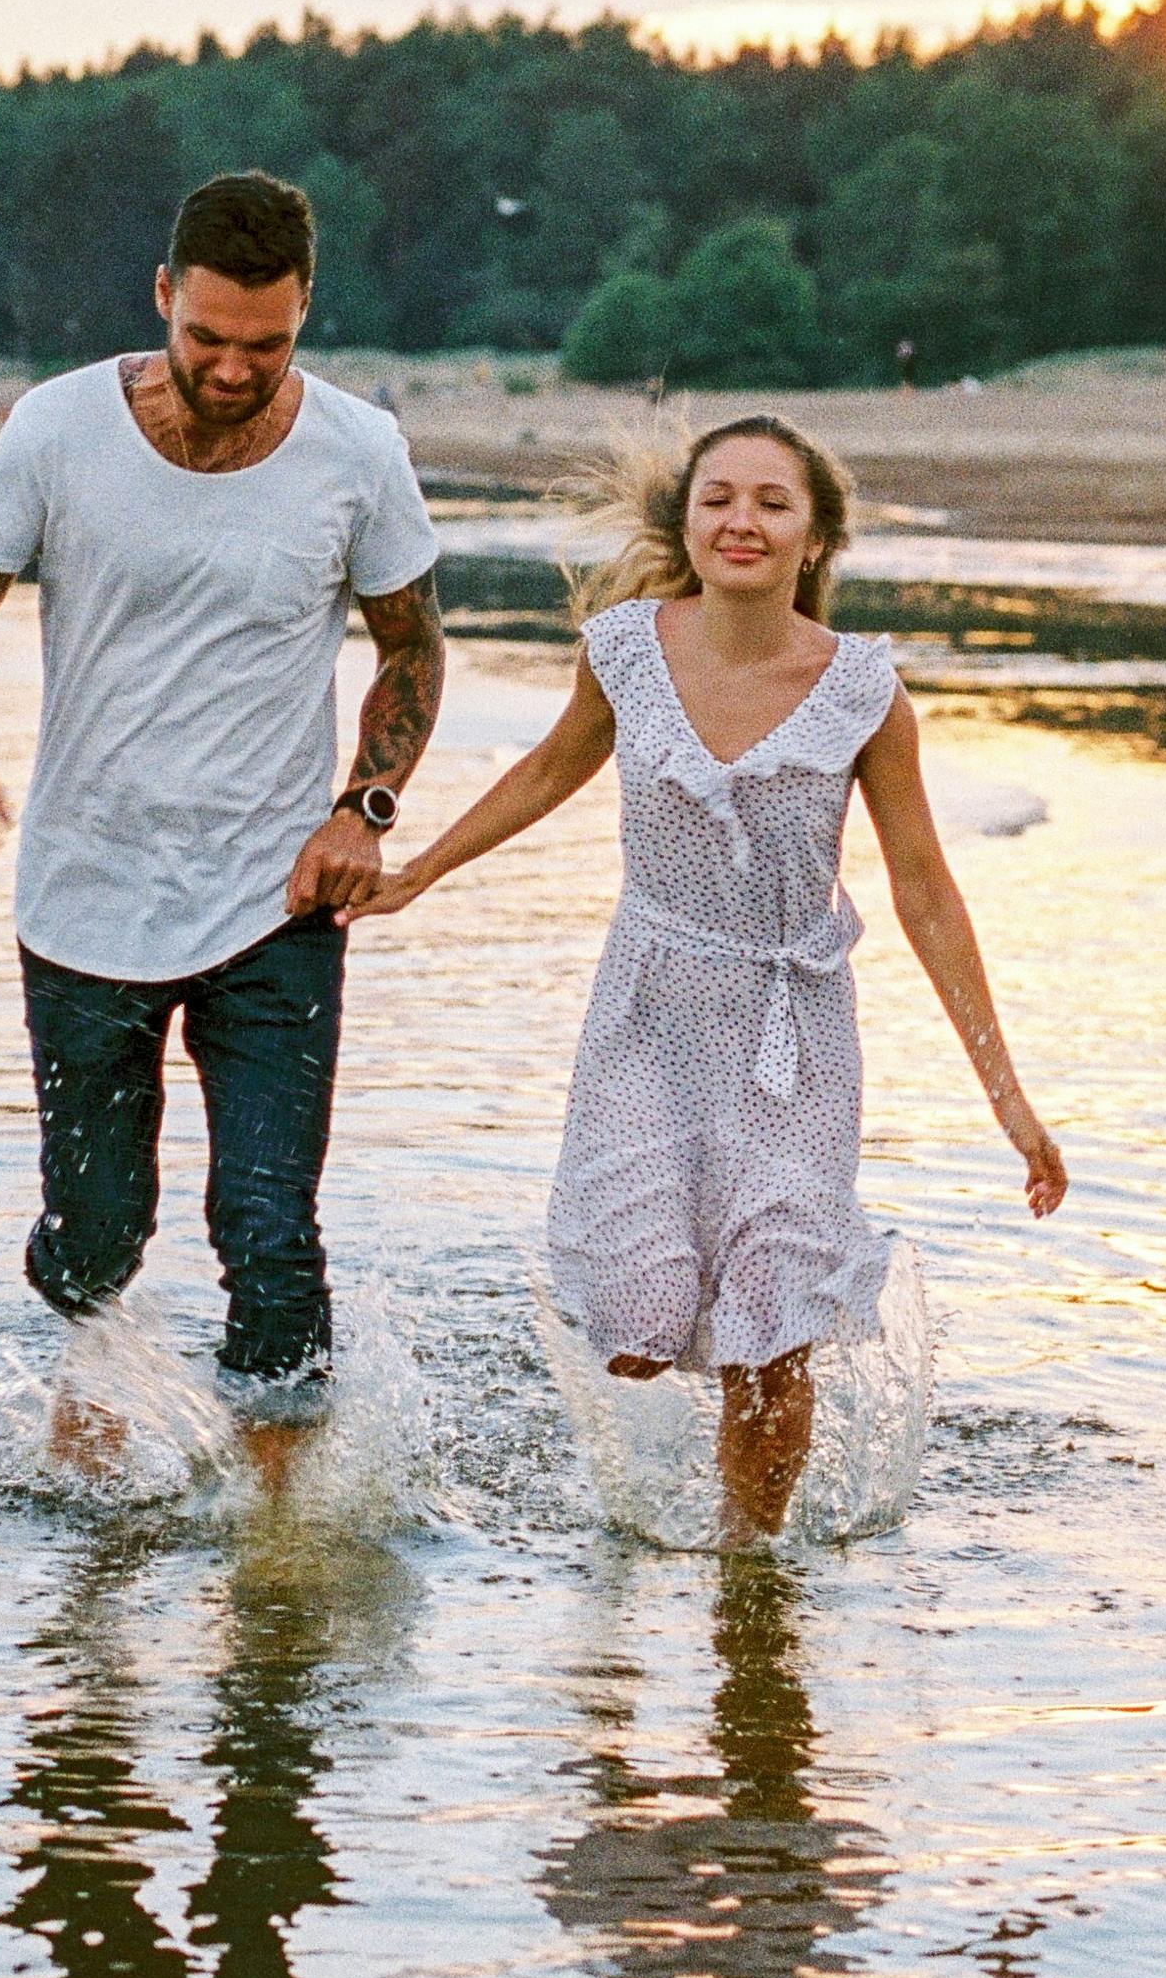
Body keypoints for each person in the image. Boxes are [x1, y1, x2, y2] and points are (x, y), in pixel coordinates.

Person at [349, 417, 1064, 1536]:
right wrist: (420, 871)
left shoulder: (864, 692)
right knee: (636, 1334)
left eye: (773, 503)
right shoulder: (625, 650)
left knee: (770, 1332)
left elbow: (925, 888)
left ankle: (750, 1574)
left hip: (793, 1038)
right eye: (719, 497)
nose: (742, 520)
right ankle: (641, 1517)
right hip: (649, 1012)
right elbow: (547, 771)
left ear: (816, 537)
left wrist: (1007, 1100)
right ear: (686, 520)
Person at [0, 169, 444, 1483]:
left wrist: (362, 811)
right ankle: (96, 1361)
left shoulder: (358, 452)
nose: (228, 366)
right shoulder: (53, 429)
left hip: (276, 901)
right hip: (82, 891)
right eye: (204, 336)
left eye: (263, 344)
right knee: (93, 1233)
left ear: (304, 311)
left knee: (270, 1231)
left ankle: (275, 1535)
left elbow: (413, 654)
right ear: (162, 296)